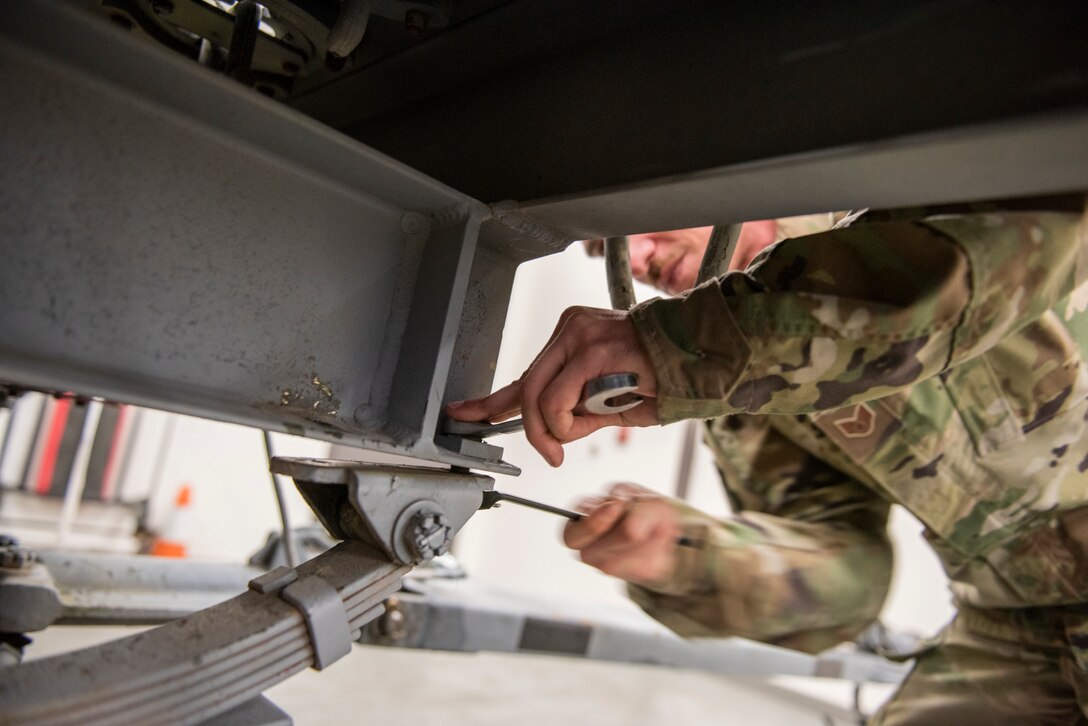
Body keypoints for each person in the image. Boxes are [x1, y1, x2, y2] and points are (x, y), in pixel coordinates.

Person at [446, 194, 1088, 724]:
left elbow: (1000, 245)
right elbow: (852, 577)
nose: (639, 259)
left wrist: (693, 344)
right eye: (609, 247)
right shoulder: (735, 398)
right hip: (1016, 623)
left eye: (642, 224)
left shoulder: (895, 192)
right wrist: (694, 555)